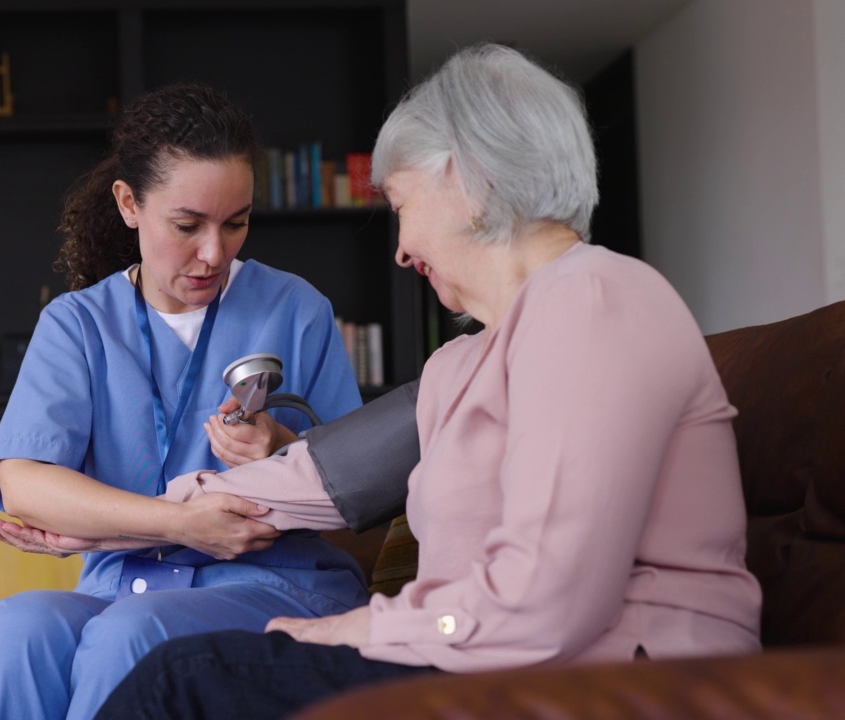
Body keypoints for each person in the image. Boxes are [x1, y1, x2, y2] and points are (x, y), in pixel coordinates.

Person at [90, 44, 764, 720]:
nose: (401, 248)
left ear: (469, 180)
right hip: (487, 670)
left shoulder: (592, 298)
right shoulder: (464, 363)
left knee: (186, 677)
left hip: (618, 682)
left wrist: (362, 628)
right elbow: (316, 480)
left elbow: (544, 602)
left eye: (404, 205)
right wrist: (136, 518)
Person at [0, 81, 368, 720]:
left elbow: (360, 498)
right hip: (123, 585)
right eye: (188, 225)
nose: (214, 253)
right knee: (14, 634)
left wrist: (284, 447)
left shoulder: (296, 310)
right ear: (129, 204)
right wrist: (180, 523)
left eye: (236, 223)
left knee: (129, 637)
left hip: (274, 587)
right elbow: (24, 482)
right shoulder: (78, 324)